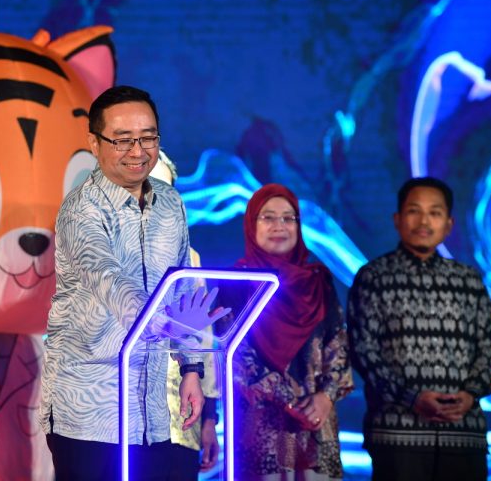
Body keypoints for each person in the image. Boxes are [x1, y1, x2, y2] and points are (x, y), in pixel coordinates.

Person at [39, 86, 209, 480]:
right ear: (94, 144)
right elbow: (110, 282)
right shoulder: (80, 209)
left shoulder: (171, 204)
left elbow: (183, 288)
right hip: (87, 411)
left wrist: (191, 367)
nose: (138, 151)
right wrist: (161, 323)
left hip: (151, 411)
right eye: (122, 139)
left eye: (148, 137)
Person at [347, 177, 491, 481]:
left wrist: (471, 394)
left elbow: (490, 345)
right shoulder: (374, 277)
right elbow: (363, 352)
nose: (424, 221)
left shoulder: (469, 280)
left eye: (435, 212)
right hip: (397, 436)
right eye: (414, 211)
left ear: (449, 224)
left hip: (463, 434)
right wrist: (411, 398)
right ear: (397, 219)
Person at [229, 183, 353, 480]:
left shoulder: (318, 281)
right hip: (262, 425)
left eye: (289, 218)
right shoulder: (235, 283)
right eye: (268, 217)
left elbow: (339, 345)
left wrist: (325, 397)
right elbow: (235, 356)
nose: (279, 226)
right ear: (251, 225)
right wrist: (289, 401)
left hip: (317, 423)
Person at [150, 151, 220, 479]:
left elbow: (204, 341)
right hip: (117, 417)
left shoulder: (189, 258)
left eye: (163, 191)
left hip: (180, 415)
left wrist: (210, 420)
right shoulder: (102, 253)